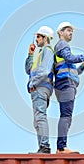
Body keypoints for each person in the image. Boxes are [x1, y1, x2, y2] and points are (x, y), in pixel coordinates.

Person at [54, 22, 84, 154]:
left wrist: (83, 66)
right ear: (60, 32)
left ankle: (61, 146)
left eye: (72, 31)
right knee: (66, 116)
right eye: (68, 30)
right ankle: (61, 147)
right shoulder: (62, 45)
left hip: (66, 83)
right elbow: (70, 58)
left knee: (67, 116)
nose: (71, 33)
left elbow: (74, 71)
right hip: (65, 84)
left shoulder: (64, 48)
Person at [25, 26, 55, 154]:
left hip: (41, 87)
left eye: (38, 36)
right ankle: (42, 147)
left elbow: (45, 71)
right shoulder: (40, 53)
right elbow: (28, 70)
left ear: (45, 38)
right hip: (37, 88)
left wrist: (33, 82)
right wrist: (30, 54)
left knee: (40, 117)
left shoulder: (47, 51)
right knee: (37, 120)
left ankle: (45, 147)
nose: (36, 39)